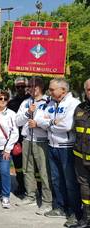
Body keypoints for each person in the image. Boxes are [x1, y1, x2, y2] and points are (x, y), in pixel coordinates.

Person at [36, 79, 82, 227]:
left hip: (66, 147)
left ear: (63, 90)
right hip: (52, 145)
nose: (49, 91)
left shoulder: (73, 103)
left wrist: (47, 123)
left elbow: (67, 125)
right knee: (56, 180)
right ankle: (61, 207)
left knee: (70, 182)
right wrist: (52, 123)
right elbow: (38, 119)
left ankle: (75, 212)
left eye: (52, 89)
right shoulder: (50, 103)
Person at [14, 78, 52, 215]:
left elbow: (51, 121)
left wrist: (38, 124)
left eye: (33, 86)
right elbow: (17, 121)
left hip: (41, 140)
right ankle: (30, 195)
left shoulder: (49, 102)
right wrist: (27, 113)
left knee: (44, 172)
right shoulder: (26, 102)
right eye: (29, 86)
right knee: (27, 169)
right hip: (27, 139)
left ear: (40, 87)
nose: (30, 88)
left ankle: (47, 201)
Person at [71, 79, 90, 228]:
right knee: (84, 188)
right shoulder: (79, 108)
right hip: (80, 158)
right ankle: (86, 218)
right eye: (89, 89)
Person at [8, 77, 31, 196]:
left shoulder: (31, 100)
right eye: (18, 87)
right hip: (17, 137)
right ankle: (21, 186)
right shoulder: (11, 102)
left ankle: (34, 188)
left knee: (32, 165)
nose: (21, 89)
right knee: (18, 165)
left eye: (23, 86)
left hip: (30, 136)